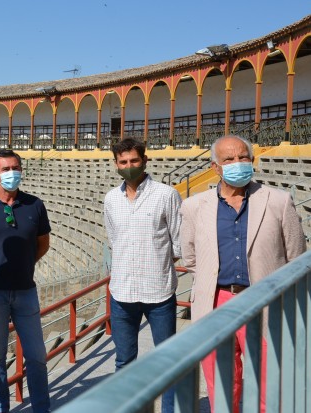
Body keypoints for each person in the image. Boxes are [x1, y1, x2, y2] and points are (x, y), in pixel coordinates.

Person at [180, 135, 306, 413]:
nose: (237, 163)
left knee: (268, 379)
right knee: (222, 382)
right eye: (229, 159)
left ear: (252, 160)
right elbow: (189, 256)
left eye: (243, 157)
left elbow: (296, 256)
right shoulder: (194, 206)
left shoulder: (278, 201)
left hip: (264, 301)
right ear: (215, 167)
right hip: (216, 302)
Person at [103, 138, 181, 413]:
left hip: (158, 293)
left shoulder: (167, 194)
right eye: (123, 162)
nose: (129, 166)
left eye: (134, 161)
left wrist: (155, 263)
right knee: (124, 362)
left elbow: (177, 243)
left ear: (145, 161)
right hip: (122, 293)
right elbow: (115, 239)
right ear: (116, 165)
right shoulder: (111, 198)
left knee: (167, 362)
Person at [0, 149, 52, 413]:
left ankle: (41, 408)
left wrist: (25, 263)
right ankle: (1, 409)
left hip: (25, 291)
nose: (12, 173)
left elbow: (43, 244)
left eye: (15, 167)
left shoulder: (35, 204)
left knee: (36, 355)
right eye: (6, 169)